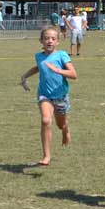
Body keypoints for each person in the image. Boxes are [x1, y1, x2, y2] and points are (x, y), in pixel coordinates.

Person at [19, 26, 77, 166]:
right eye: (46, 38)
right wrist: (24, 77)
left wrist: (58, 70)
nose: (49, 41)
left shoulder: (62, 55)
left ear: (57, 41)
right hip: (44, 95)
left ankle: (65, 129)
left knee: (60, 124)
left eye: (53, 38)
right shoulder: (39, 56)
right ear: (41, 41)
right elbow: (38, 67)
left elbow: (74, 75)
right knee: (46, 120)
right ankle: (46, 156)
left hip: (61, 96)